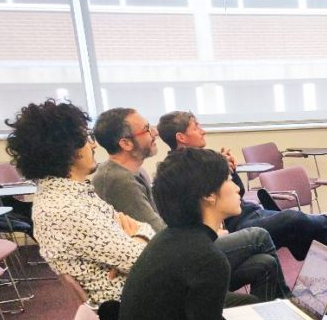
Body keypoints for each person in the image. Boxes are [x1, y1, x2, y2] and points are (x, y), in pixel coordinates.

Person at [91, 108, 290, 301]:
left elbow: (165, 220)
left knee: (264, 264)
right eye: (146, 129)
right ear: (126, 143)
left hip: (177, 249)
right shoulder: (118, 180)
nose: (155, 133)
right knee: (259, 236)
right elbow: (157, 233)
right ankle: (293, 307)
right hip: (171, 263)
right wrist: (207, 233)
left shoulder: (135, 172)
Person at [4, 100, 154, 308]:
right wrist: (138, 236)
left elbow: (140, 241)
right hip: (138, 308)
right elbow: (147, 261)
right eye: (86, 139)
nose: (93, 145)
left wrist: (136, 237)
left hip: (139, 294)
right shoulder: (65, 209)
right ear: (67, 149)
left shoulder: (71, 194)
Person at [155, 111, 327, 261]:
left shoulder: (206, 159)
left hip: (251, 212)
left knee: (314, 229)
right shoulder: (179, 171)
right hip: (236, 226)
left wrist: (230, 171)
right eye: (196, 127)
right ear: (181, 137)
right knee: (296, 219)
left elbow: (239, 192)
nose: (203, 131)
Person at [116, 148, 249, 320]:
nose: (237, 187)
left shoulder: (167, 238)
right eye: (228, 179)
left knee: (254, 295)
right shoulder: (207, 258)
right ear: (208, 195)